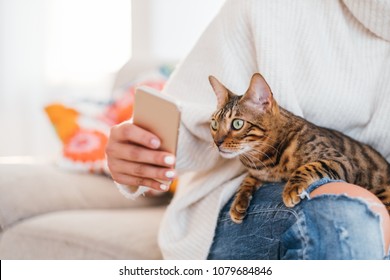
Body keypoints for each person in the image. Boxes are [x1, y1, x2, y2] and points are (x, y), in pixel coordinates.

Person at [106, 0, 390, 259]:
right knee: (346, 214)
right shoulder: (263, 8)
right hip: (250, 202)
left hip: (365, 184)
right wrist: (141, 150)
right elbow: (183, 126)